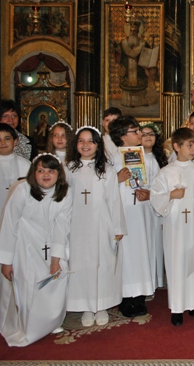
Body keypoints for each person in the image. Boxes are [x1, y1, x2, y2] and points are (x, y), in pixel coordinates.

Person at [0, 154, 72, 346]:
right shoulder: (21, 190)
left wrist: (56, 258)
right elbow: (9, 225)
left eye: (51, 170)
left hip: (52, 244)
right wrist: (6, 261)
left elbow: (62, 225)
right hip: (25, 246)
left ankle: (51, 322)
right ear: (33, 173)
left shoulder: (65, 192)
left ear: (59, 174)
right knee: (28, 286)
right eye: (40, 170)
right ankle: (29, 326)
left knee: (55, 282)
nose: (46, 174)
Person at [149, 128, 194, 326]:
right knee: (176, 265)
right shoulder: (166, 172)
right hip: (175, 228)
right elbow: (155, 198)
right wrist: (170, 195)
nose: (193, 149)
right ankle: (177, 308)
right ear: (176, 147)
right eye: (189, 145)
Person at [65, 126, 126, 327]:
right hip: (78, 226)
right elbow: (63, 199)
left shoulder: (107, 170)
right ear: (75, 144)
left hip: (102, 224)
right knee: (81, 265)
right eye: (81, 141)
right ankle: (86, 306)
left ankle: (101, 305)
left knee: (103, 264)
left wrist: (117, 227)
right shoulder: (69, 169)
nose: (86, 145)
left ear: (98, 145)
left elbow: (114, 200)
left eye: (90, 141)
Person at [109, 116, 155, 318]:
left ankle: (140, 296)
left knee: (141, 252)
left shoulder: (147, 158)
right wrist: (116, 179)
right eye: (135, 131)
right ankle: (125, 298)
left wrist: (149, 193)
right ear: (121, 136)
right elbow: (101, 186)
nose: (139, 134)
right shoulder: (111, 159)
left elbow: (156, 183)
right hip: (123, 213)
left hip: (141, 213)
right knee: (125, 255)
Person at [0, 123, 31, 312]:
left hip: (21, 221)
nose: (3, 143)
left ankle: (19, 300)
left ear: (15, 141)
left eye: (7, 139)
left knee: (19, 258)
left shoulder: (25, 165)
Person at [139, 121, 167, 290]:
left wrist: (153, 195)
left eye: (151, 134)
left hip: (156, 208)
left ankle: (155, 281)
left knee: (155, 243)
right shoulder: (133, 157)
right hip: (140, 205)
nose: (148, 137)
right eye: (143, 134)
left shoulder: (161, 159)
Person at [113, 20, 150, 107]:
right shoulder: (124, 43)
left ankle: (142, 102)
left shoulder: (143, 43)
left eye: (135, 31)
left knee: (140, 86)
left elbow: (148, 54)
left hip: (139, 70)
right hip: (127, 69)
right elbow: (119, 53)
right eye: (131, 31)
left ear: (138, 31)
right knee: (128, 86)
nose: (133, 33)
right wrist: (116, 47)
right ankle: (128, 102)